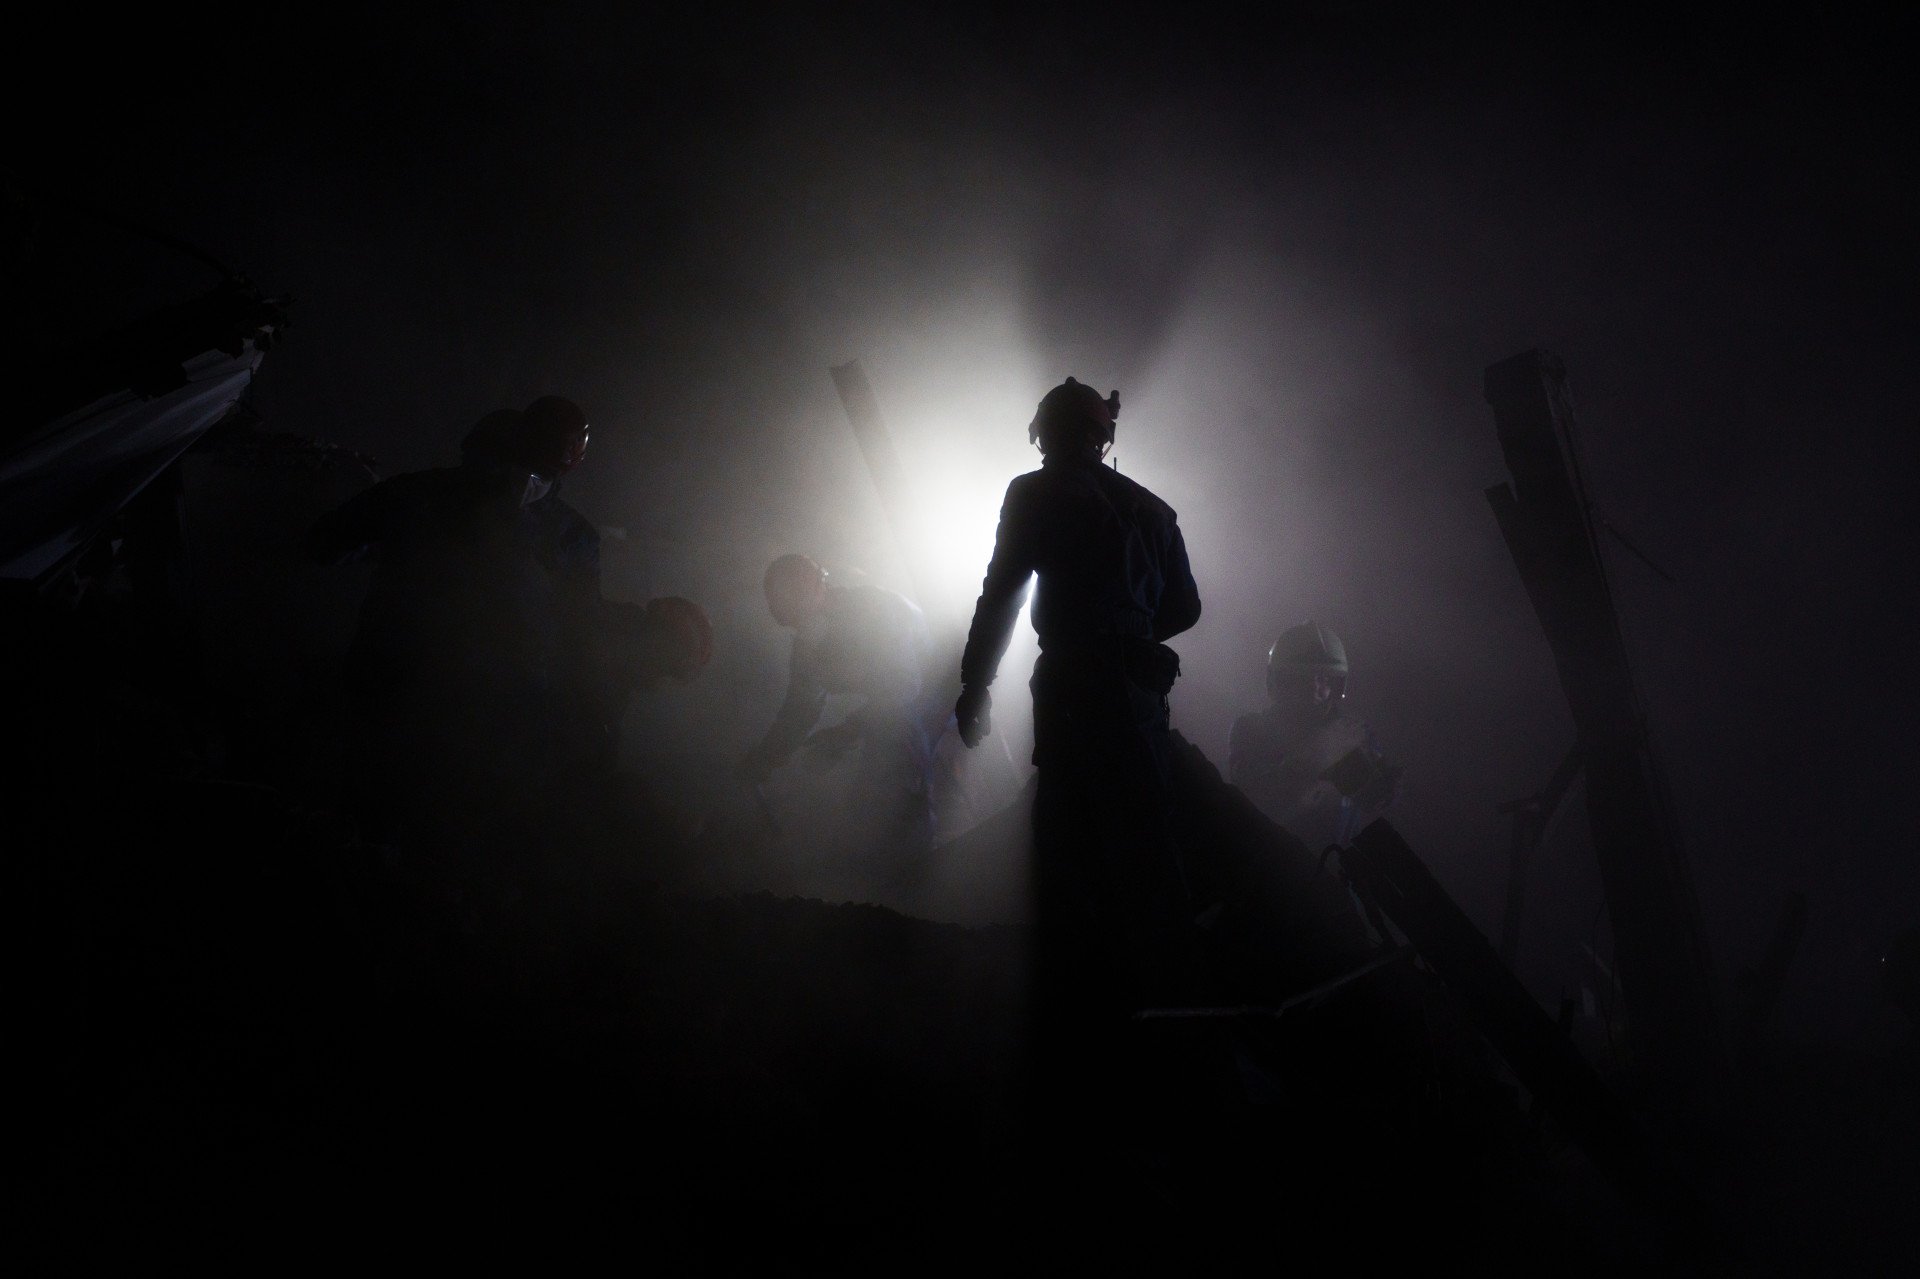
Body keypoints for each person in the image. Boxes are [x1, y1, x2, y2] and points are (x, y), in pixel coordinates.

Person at [952, 376, 1203, 1157]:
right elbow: (1187, 608)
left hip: (1071, 681)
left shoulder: (1033, 493)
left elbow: (1002, 590)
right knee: (1147, 839)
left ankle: (1068, 1011)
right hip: (1136, 689)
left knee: (1063, 837)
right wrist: (1133, 633)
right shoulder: (1153, 508)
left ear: (1043, 433)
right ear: (1104, 435)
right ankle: (1173, 1011)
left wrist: (975, 681)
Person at [310, 396, 605, 832]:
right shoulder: (570, 535)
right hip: (480, 720)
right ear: (571, 461)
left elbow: (325, 542)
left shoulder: (420, 493)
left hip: (403, 694)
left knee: (371, 829)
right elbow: (582, 641)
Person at [736, 553, 939, 873]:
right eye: (792, 621)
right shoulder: (808, 645)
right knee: (868, 812)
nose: (800, 628)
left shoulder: (874, 612)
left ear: (820, 591)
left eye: (801, 615)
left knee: (897, 800)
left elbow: (904, 687)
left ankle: (915, 874)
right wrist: (765, 758)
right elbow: (800, 710)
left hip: (936, 693)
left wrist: (847, 732)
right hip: (894, 709)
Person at [1228, 621, 1398, 852]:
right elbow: (1251, 800)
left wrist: (1378, 785)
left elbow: (1376, 801)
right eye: (1301, 679)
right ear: (1280, 682)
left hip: (1332, 873)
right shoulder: (1252, 730)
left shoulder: (1351, 734)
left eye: (1324, 679)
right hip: (1268, 868)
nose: (1314, 689)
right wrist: (1312, 759)